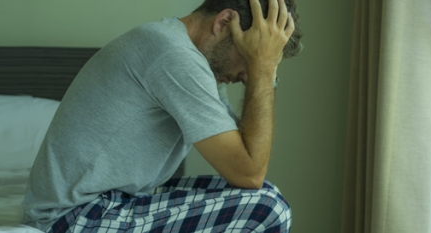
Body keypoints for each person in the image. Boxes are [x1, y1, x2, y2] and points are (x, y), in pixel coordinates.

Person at [22, 0, 302, 232]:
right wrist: (263, 70)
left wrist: (265, 68)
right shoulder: (173, 55)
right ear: (224, 22)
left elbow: (247, 163)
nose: (246, 76)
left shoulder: (188, 57)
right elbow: (248, 172)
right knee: (267, 209)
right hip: (74, 218)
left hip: (115, 201)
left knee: (266, 194)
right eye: (250, 57)